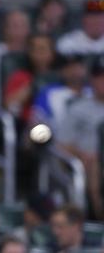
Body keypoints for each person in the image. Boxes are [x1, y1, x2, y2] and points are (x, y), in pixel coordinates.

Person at [56, 55, 104, 220]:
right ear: (91, 80)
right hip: (88, 165)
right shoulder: (78, 108)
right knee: (95, 163)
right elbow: (61, 144)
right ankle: (99, 217)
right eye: (99, 77)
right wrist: (82, 155)